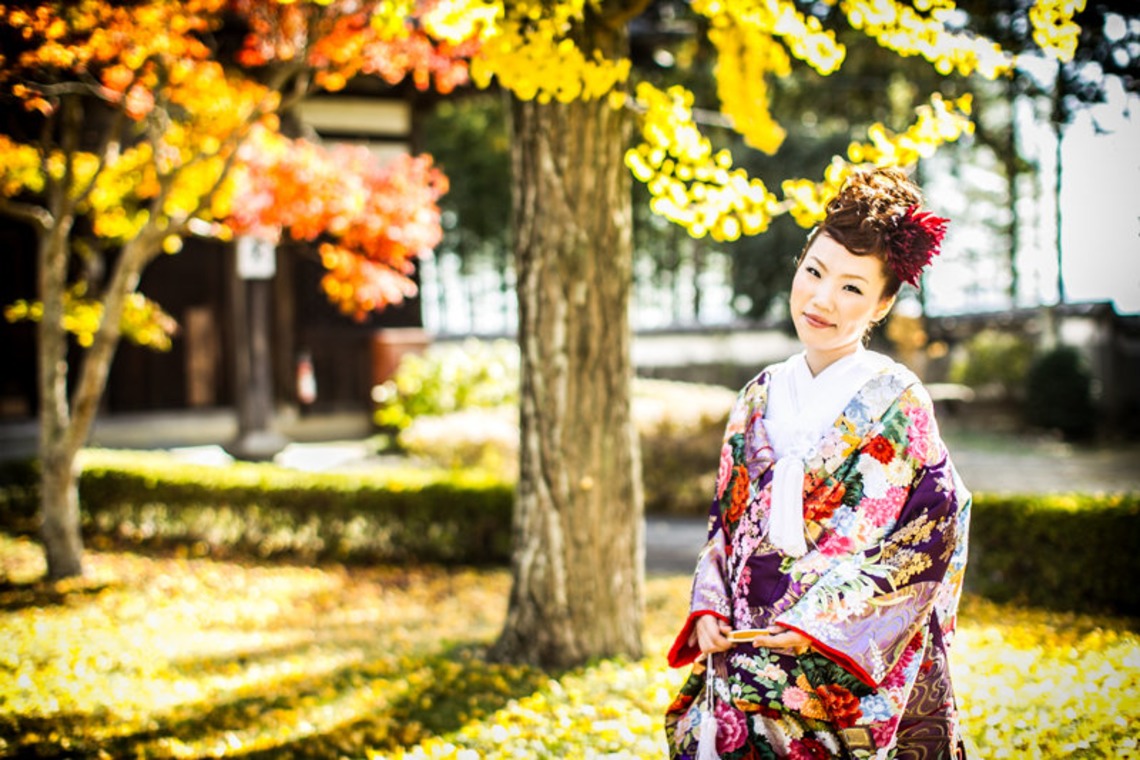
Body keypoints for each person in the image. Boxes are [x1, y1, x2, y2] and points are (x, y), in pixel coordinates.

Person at [664, 167, 971, 760]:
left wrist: (821, 621)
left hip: (839, 657)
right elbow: (725, 526)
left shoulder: (898, 400)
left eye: (853, 288)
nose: (823, 299)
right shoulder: (758, 394)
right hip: (748, 644)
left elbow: (931, 534)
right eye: (814, 272)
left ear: (882, 303)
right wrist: (708, 605)